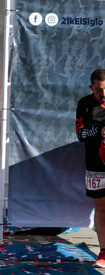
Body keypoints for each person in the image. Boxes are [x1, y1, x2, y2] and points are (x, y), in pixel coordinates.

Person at [78, 68, 105, 268]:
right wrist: (99, 130)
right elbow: (80, 135)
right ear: (91, 87)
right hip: (95, 164)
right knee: (101, 208)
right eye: (98, 90)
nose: (102, 94)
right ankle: (103, 252)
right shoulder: (85, 104)